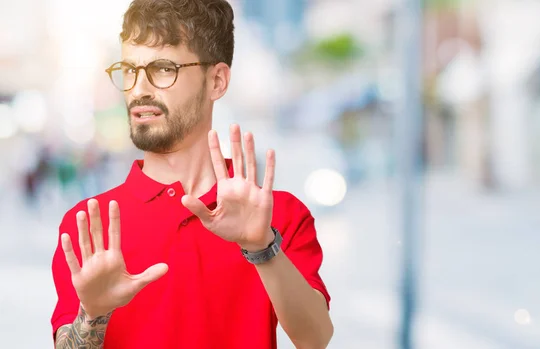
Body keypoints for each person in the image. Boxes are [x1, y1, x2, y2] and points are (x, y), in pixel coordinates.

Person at [50, 0, 334, 348]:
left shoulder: (278, 215)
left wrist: (262, 247)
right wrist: (93, 314)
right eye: (129, 70)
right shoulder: (90, 226)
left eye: (163, 68)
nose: (139, 90)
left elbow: (316, 339)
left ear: (216, 80)